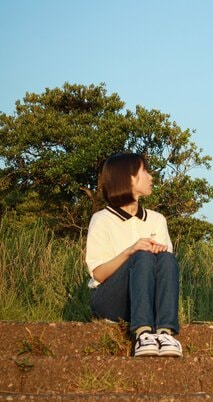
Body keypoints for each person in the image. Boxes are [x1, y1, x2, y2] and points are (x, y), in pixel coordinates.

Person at [85, 152, 183, 357]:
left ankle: (165, 332)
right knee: (141, 255)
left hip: (149, 298)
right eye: (145, 171)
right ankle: (143, 334)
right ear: (129, 178)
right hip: (110, 299)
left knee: (166, 258)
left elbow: (164, 269)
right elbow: (99, 274)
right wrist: (130, 251)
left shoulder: (157, 220)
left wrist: (157, 251)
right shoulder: (102, 219)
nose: (151, 177)